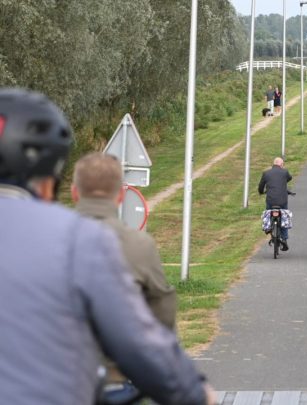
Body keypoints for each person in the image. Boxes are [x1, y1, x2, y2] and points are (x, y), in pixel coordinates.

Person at [0, 88, 214, 404]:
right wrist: (195, 392)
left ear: (75, 191)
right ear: (50, 177)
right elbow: (139, 341)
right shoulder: (78, 239)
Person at [72, 152, 177, 385]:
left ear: (74, 193)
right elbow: (162, 311)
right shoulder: (139, 245)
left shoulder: (44, 240)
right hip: (115, 376)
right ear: (121, 196)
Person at [258, 157, 293, 250]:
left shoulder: (266, 173)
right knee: (284, 216)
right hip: (282, 201)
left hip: (270, 200)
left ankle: (268, 227)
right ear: (281, 165)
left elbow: (261, 186)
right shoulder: (285, 172)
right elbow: (290, 178)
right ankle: (284, 239)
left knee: (268, 212)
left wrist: (261, 192)